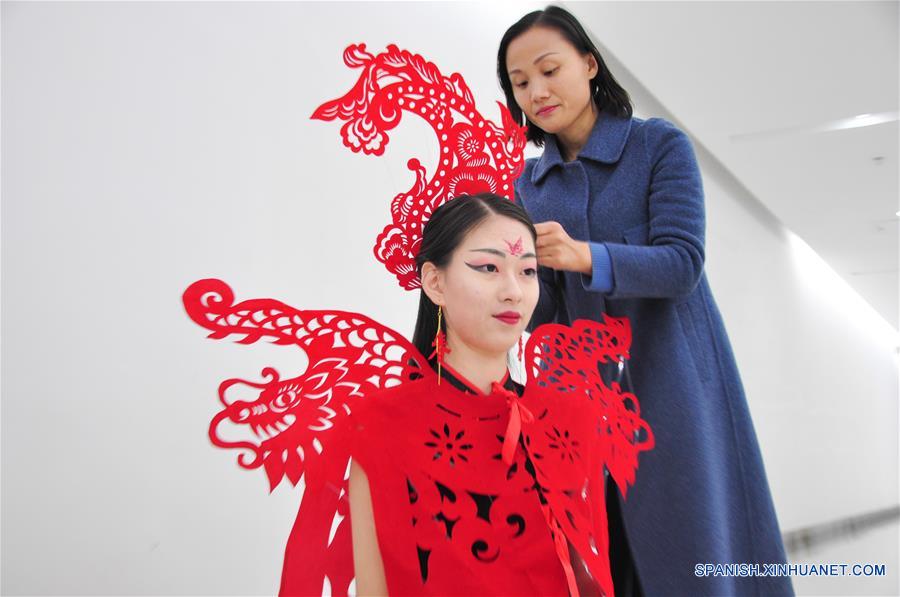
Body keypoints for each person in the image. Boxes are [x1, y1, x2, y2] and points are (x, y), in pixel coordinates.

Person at [497, 6, 794, 596]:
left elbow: (683, 263)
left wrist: (585, 256)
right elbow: (547, 309)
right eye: (521, 82)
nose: (537, 92)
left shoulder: (658, 146)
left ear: (589, 64)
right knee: (605, 557)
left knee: (695, 547)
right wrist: (503, 287)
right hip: (578, 403)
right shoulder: (527, 185)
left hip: (673, 383)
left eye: (550, 70)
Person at [347, 192, 653, 596]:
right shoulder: (383, 427)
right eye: (488, 267)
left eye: (527, 271)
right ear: (435, 282)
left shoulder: (568, 421)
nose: (514, 291)